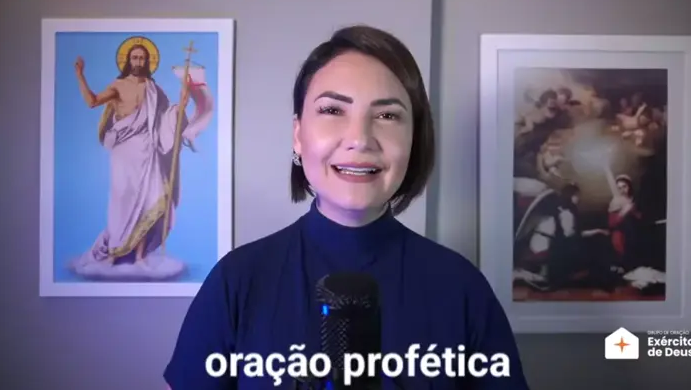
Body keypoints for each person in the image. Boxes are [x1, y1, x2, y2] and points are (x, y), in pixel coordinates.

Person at [164, 25, 529, 389]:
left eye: (387, 116)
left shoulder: (461, 287)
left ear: (414, 138)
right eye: (332, 110)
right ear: (298, 135)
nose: (360, 139)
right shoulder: (237, 281)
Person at [71, 42, 214, 275]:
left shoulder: (153, 90)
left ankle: (139, 257)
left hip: (149, 151)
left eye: (142, 58)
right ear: (128, 61)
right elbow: (92, 101)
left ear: (147, 62)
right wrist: (80, 75)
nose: (138, 62)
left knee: (150, 201)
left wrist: (180, 106)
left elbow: (165, 118)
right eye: (134, 58)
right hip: (124, 152)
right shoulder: (118, 85)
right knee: (122, 202)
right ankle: (114, 253)